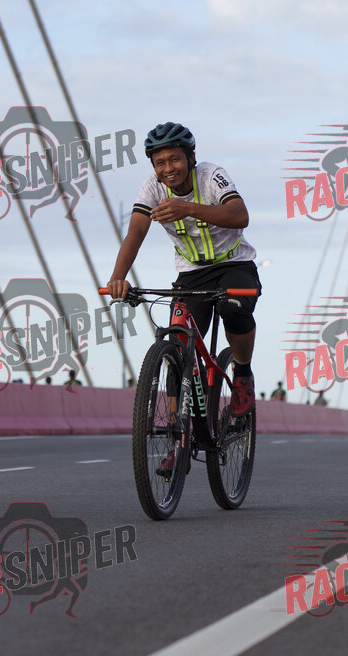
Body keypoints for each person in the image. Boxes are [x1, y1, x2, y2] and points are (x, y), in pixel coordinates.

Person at [107, 122, 261, 454]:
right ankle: (178, 438)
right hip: (192, 274)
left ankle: (242, 374)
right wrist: (118, 277)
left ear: (190, 158)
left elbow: (240, 215)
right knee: (177, 346)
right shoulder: (152, 188)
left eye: (174, 159)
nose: (168, 168)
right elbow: (136, 231)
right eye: (160, 163)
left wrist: (188, 208)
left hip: (233, 264)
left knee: (234, 308)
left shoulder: (211, 176)